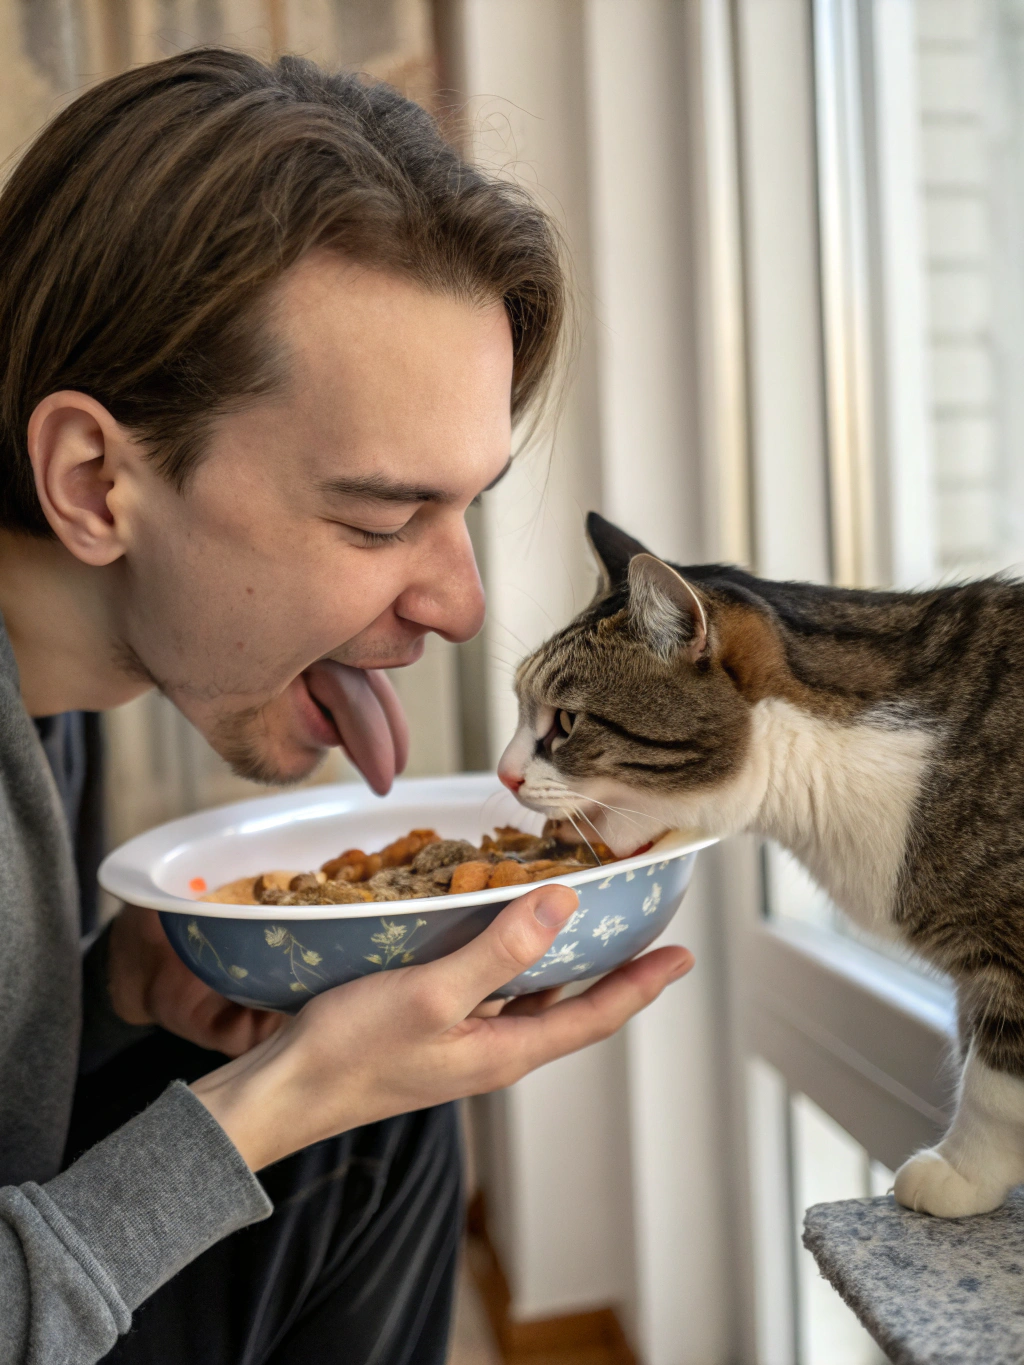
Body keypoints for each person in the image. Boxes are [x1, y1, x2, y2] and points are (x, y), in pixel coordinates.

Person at [0, 48, 694, 1365]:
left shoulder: (52, 701)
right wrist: (272, 1102)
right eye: (382, 518)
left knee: (379, 1102)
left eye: (465, 506)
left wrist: (116, 998)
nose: (461, 605)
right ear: (95, 482)